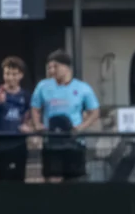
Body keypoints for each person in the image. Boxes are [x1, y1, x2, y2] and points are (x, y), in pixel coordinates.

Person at [30, 50, 100, 182]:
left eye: (55, 66)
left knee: (74, 181)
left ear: (66, 67)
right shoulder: (43, 86)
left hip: (74, 142)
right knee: (52, 179)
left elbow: (95, 112)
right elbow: (35, 108)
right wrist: (37, 124)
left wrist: (81, 127)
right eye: (49, 67)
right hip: (51, 142)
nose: (52, 71)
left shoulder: (82, 88)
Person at [0, 58, 32, 181]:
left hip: (18, 145)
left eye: (14, 74)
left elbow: (30, 117)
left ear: (21, 75)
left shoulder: (26, 95)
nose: (10, 77)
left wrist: (28, 127)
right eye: (7, 73)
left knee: (18, 181)